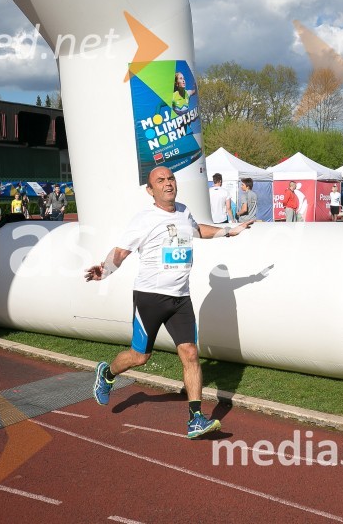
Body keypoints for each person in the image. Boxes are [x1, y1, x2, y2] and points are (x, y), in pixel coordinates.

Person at [85, 166, 255, 439]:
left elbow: (198, 230)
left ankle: (195, 419)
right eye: (160, 181)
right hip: (150, 298)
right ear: (150, 190)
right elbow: (121, 252)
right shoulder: (144, 219)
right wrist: (103, 271)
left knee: (190, 353)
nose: (168, 183)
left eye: (171, 178)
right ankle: (107, 373)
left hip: (180, 299)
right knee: (140, 357)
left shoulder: (185, 212)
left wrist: (228, 231)